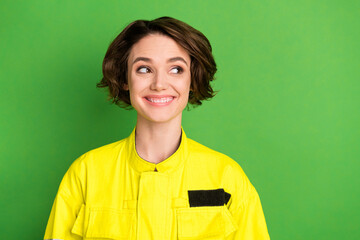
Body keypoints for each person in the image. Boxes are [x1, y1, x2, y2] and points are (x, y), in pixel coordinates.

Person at [44, 16, 270, 240]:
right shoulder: (86, 174)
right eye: (144, 69)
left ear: (192, 80)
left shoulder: (226, 177)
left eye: (176, 69)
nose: (159, 84)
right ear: (125, 79)